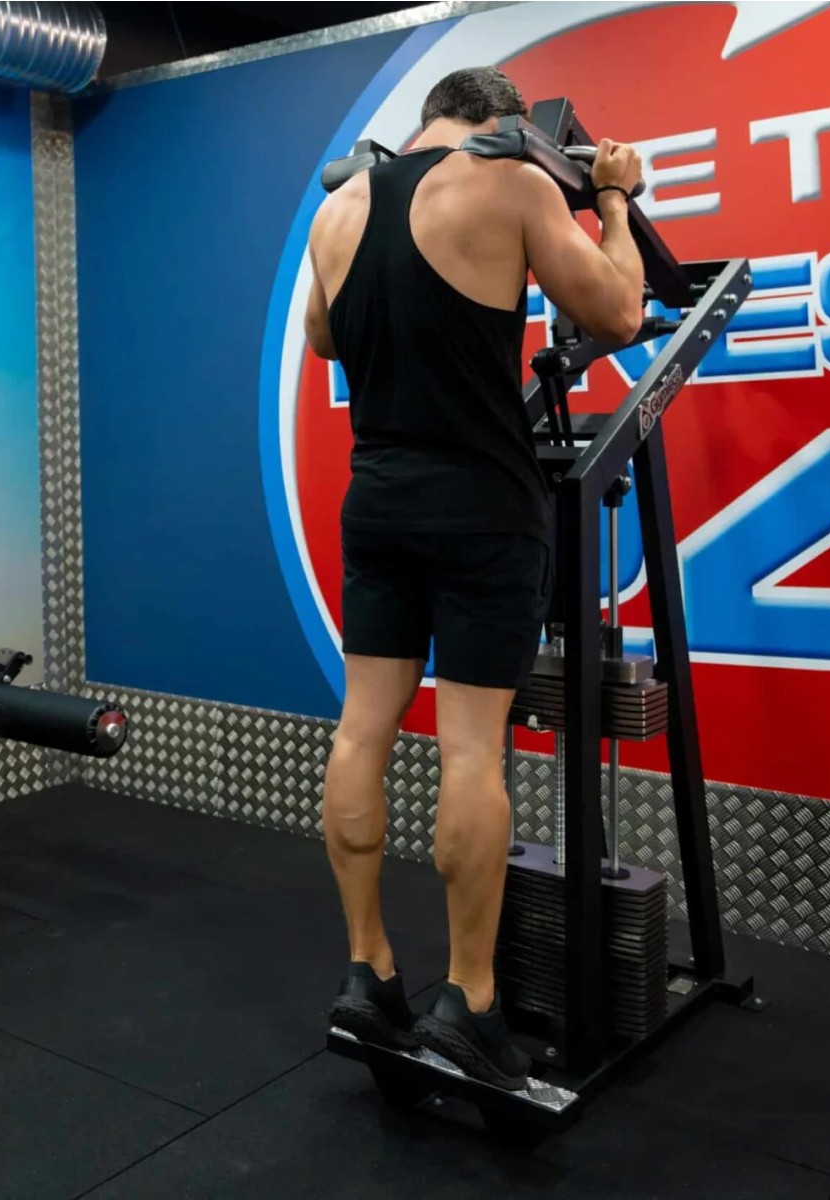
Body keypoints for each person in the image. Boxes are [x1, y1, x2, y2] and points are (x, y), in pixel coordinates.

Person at [303, 66, 645, 1091]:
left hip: (378, 500)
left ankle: (368, 971)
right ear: (502, 120)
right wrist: (612, 199)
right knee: (470, 751)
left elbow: (324, 338)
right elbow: (619, 313)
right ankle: (472, 1000)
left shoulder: (339, 207)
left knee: (360, 732)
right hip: (481, 509)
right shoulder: (513, 181)